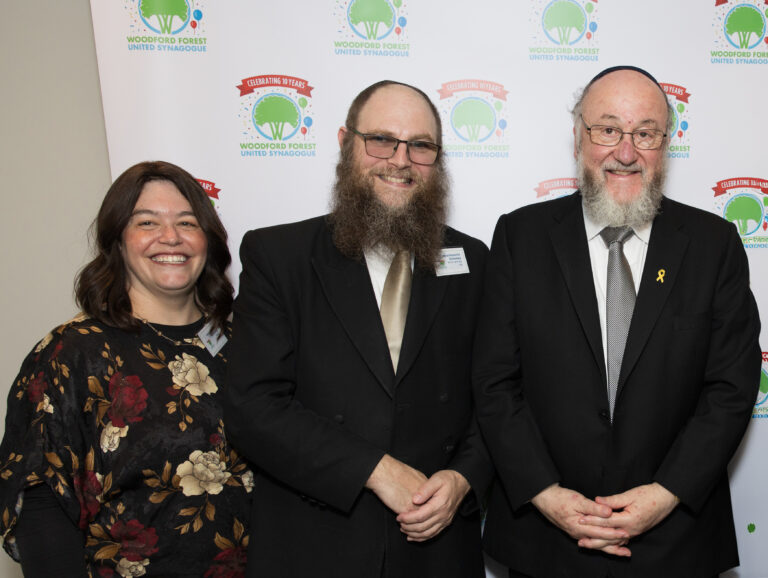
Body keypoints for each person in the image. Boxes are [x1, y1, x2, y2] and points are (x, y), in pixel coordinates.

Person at [473, 66, 761, 578]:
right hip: (546, 539)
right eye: (607, 129)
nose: (625, 152)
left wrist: (666, 493)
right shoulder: (521, 237)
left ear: (664, 144)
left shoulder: (714, 244)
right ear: (579, 136)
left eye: (645, 133)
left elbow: (732, 387)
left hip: (678, 540)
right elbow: (495, 382)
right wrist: (545, 493)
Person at [224, 80, 493, 578]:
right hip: (315, 546)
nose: (401, 160)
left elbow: (495, 395)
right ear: (347, 143)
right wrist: (374, 470)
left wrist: (462, 477)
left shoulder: (472, 261)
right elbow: (253, 406)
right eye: (382, 140)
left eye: (421, 145)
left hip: (438, 550)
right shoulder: (279, 257)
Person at [0, 161, 253, 577]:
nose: (170, 237)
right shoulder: (73, 352)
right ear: (117, 241)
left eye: (187, 222)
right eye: (147, 222)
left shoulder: (246, 344)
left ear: (207, 240)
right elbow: (42, 499)